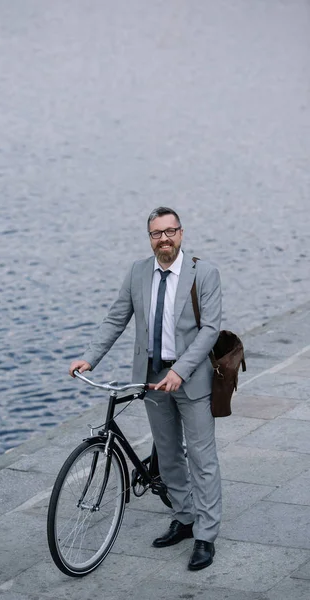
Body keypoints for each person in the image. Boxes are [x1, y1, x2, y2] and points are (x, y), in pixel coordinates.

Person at [69, 206, 222, 571]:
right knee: (168, 457)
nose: (164, 239)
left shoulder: (205, 273)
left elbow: (210, 330)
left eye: (170, 231)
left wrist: (181, 371)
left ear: (181, 234)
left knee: (202, 458)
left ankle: (206, 535)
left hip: (192, 379)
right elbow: (115, 318)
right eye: (157, 233)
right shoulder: (138, 272)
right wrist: (89, 358)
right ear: (150, 238)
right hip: (152, 379)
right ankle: (185, 519)